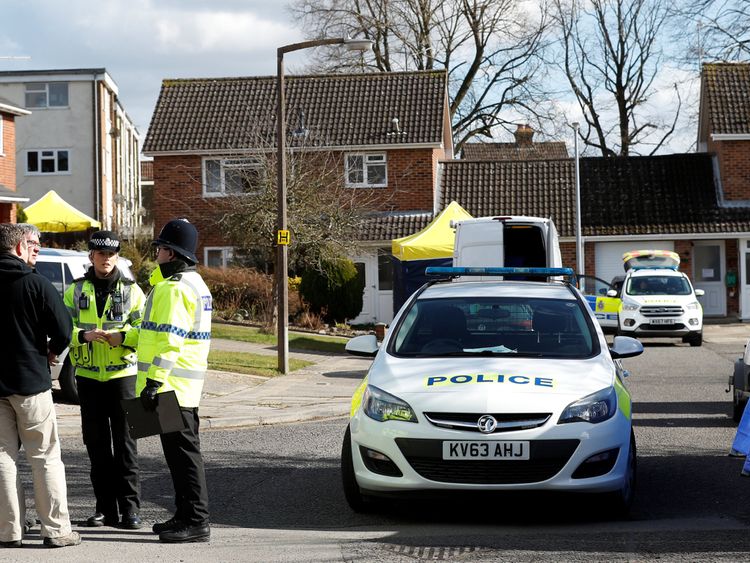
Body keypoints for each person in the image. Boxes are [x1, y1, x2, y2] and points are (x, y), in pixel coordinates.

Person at [0, 223, 80, 548]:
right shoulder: (35, 284)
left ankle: (8, 532)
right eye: (32, 244)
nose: (36, 248)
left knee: (2, 457)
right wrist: (51, 350)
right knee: (44, 456)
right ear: (19, 247)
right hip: (31, 383)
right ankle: (56, 530)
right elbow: (64, 328)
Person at [63, 231, 146, 529]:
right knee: (96, 446)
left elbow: (144, 330)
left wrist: (122, 337)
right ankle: (104, 509)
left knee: (126, 445)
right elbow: (64, 329)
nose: (106, 258)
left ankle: (130, 510)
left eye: (111, 254)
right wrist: (82, 336)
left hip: (124, 377)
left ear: (118, 257)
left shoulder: (133, 290)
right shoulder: (74, 290)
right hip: (87, 379)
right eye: (101, 253)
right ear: (91, 256)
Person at [137, 218, 212, 543]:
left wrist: (153, 382)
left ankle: (195, 520)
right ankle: (184, 515)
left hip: (169, 387)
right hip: (181, 387)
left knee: (182, 458)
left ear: (171, 252)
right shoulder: (193, 284)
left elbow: (170, 339)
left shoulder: (174, 288)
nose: (156, 254)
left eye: (160, 249)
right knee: (179, 457)